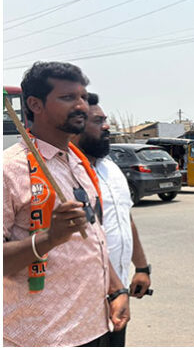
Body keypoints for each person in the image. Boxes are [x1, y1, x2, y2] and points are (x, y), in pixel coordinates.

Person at [3, 61, 129, 346]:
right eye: (68, 97)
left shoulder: (80, 162)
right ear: (35, 104)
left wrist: (117, 288)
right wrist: (48, 238)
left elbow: (94, 239)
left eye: (83, 97)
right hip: (43, 335)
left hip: (99, 326)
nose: (82, 106)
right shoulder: (9, 170)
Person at [74, 93, 152, 347]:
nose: (106, 126)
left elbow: (125, 219)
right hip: (81, 300)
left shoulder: (112, 169)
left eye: (105, 119)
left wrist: (141, 268)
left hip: (118, 294)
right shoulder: (65, 172)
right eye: (98, 121)